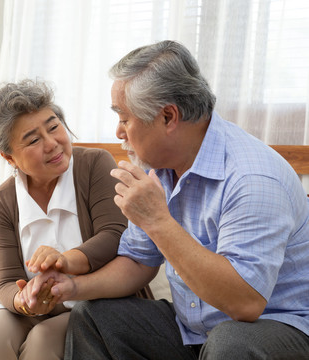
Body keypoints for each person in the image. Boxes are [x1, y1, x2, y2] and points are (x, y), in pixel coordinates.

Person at [26, 40, 309, 359]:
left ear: (168, 117)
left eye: (124, 118)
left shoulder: (252, 177)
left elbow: (245, 303)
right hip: (196, 332)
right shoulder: (160, 170)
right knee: (94, 317)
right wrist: (72, 287)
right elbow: (138, 260)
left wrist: (157, 220)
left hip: (280, 330)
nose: (119, 132)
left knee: (231, 343)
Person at [0, 79, 151, 360]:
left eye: (53, 127)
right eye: (33, 139)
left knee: (43, 340)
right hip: (32, 307)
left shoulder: (94, 165)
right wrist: (25, 300)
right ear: (9, 157)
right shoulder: (1, 202)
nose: (52, 143)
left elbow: (115, 234)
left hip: (92, 302)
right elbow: (5, 283)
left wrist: (64, 261)